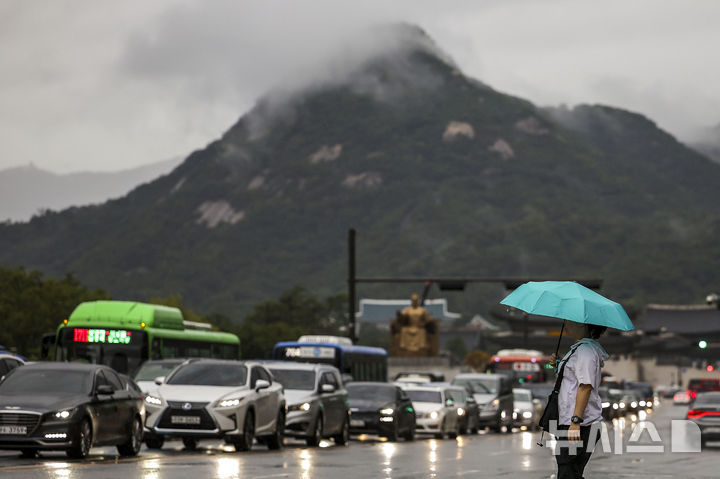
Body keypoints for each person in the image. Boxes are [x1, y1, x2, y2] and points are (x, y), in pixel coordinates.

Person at [549, 321, 609, 479]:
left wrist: (575, 422)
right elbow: (573, 381)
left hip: (580, 424)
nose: (566, 324)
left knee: (567, 471)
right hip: (574, 422)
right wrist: (559, 364)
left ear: (582, 325)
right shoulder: (580, 349)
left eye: (571, 321)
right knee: (571, 472)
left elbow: (585, 386)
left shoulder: (586, 352)